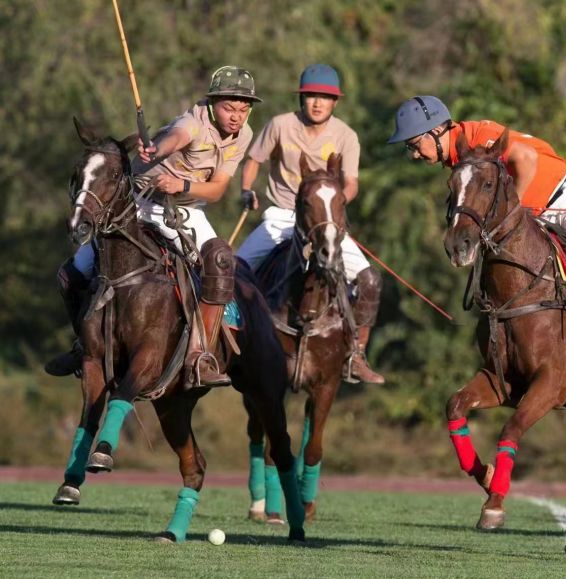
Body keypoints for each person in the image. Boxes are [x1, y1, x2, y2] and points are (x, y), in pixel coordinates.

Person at [387, 95, 566, 370]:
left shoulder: (479, 138)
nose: (414, 154)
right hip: (536, 216)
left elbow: (526, 158)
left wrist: (515, 210)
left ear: (436, 131)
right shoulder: (460, 161)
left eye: (414, 145)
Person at [45, 66, 262, 386]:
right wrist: (155, 150)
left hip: (187, 209)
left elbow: (216, 190)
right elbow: (175, 139)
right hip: (140, 205)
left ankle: (200, 356)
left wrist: (182, 186)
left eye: (244, 109)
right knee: (71, 274)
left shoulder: (244, 135)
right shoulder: (191, 123)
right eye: (229, 107)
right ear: (212, 103)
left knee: (220, 262)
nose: (236, 116)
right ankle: (83, 346)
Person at [236, 63, 384, 384]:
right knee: (235, 269)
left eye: (324, 97)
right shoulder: (280, 125)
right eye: (310, 96)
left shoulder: (346, 136)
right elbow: (253, 161)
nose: (316, 103)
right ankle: (230, 344)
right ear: (301, 99)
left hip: (325, 220)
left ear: (335, 102)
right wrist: (247, 190)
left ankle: (356, 354)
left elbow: (352, 182)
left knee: (369, 279)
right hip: (282, 215)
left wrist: (335, 205)